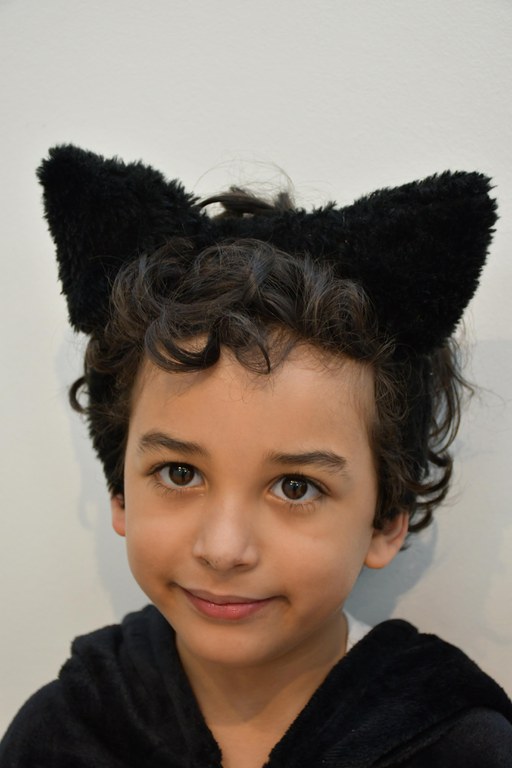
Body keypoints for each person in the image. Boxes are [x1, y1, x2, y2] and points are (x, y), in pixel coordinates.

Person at [1, 145, 511, 767]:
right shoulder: (56, 738)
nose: (223, 549)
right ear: (121, 493)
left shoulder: (460, 749)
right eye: (180, 473)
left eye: (295, 486)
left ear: (385, 520)